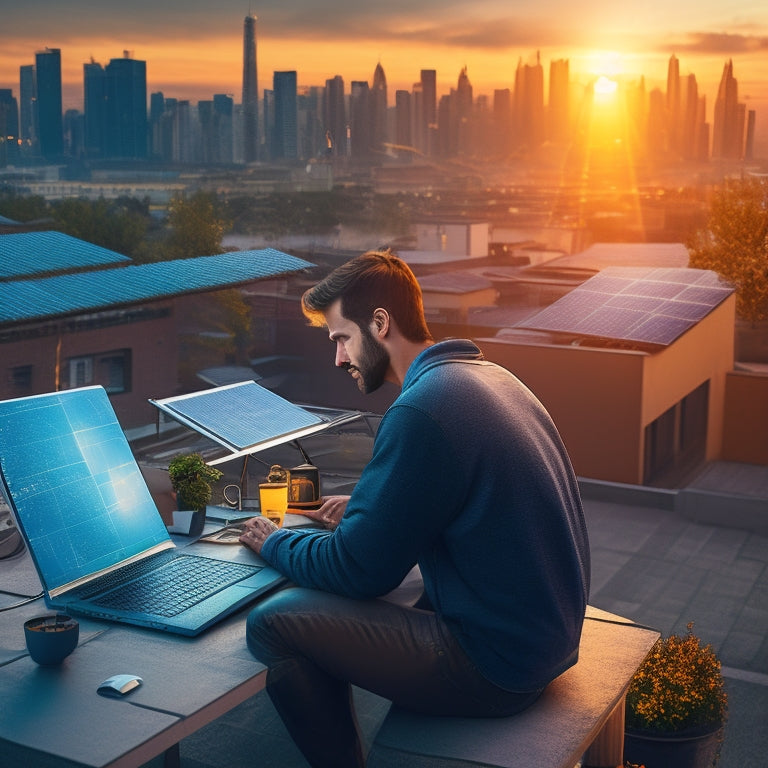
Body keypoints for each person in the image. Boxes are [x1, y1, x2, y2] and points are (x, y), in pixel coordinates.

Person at [239, 249, 590, 768]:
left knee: (272, 620)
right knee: (372, 585)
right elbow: (469, 491)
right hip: (545, 639)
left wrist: (274, 540)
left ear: (380, 323)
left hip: (496, 668)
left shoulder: (423, 408)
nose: (337, 358)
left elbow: (357, 571)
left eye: (341, 338)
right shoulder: (488, 379)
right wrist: (370, 505)